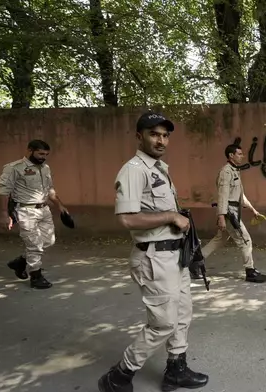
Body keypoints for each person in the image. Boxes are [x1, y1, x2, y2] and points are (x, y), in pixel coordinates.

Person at [97, 112, 209, 392]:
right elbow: (127, 219)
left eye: (165, 135)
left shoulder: (159, 169)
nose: (161, 140)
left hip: (174, 257)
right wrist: (171, 216)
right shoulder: (134, 170)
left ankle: (176, 369)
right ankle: (120, 375)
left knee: (183, 315)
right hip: (153, 258)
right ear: (140, 136)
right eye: (154, 134)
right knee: (163, 323)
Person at [0, 139, 68, 289]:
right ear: (30, 150)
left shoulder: (45, 168)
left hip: (44, 209)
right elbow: (3, 192)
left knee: (48, 241)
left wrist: (60, 206)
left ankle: (20, 262)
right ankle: (36, 276)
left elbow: (50, 190)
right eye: (40, 153)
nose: (43, 157)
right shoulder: (14, 168)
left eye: (46, 154)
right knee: (34, 245)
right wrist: (3, 214)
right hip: (25, 211)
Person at [196, 137, 266, 283]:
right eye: (239, 154)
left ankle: (195, 261)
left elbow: (240, 196)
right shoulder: (226, 172)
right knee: (245, 240)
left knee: (220, 239)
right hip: (229, 213)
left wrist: (253, 210)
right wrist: (222, 216)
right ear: (231, 155)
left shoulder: (235, 171)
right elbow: (222, 196)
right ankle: (250, 271)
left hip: (233, 210)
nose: (242, 156)